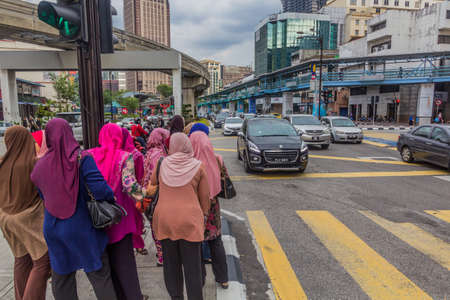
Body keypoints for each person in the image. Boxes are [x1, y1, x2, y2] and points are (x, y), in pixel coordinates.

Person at [30, 119, 117, 300]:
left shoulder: (39, 166)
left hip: (53, 228)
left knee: (62, 279)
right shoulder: (81, 159)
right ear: (69, 133)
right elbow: (100, 190)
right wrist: (111, 198)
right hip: (82, 227)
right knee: (99, 275)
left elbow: (43, 195)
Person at [89, 123, 146, 300]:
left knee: (108, 269)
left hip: (96, 220)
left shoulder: (88, 155)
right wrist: (149, 192)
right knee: (125, 267)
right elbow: (132, 188)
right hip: (120, 220)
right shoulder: (125, 157)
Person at [151, 133, 210, 300]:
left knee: (171, 266)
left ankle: (176, 297)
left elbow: (153, 184)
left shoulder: (161, 163)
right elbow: (205, 198)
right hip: (190, 222)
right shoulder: (198, 166)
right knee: (193, 268)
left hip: (165, 221)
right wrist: (203, 216)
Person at [0, 126, 50, 300]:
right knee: (43, 263)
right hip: (28, 219)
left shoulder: (1, 162)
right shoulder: (32, 163)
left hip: (6, 218)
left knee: (21, 260)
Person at [190, 131, 229, 289]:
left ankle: (200, 279)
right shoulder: (218, 159)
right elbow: (223, 180)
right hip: (213, 207)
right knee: (216, 242)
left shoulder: (191, 164)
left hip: (195, 207)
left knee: (196, 245)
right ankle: (223, 278)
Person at [142, 128, 170, 266]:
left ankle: (161, 256)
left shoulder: (148, 153)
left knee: (154, 226)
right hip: (159, 194)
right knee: (162, 226)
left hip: (148, 194)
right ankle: (164, 256)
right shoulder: (160, 154)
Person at [121, 128, 147, 256]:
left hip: (119, 193)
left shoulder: (118, 154)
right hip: (134, 191)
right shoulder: (136, 154)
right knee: (135, 219)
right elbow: (141, 175)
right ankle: (138, 245)